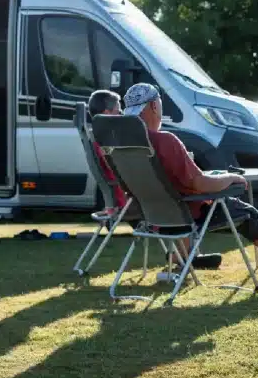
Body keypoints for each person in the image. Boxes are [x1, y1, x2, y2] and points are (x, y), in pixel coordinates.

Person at [122, 83, 258, 282]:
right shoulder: (165, 140)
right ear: (154, 106)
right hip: (190, 214)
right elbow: (200, 183)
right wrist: (230, 178)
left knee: (241, 211)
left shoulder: (123, 149)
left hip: (153, 218)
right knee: (251, 216)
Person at [87, 89, 222, 270]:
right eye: (119, 111)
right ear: (106, 113)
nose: (121, 115)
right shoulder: (111, 141)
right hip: (133, 199)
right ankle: (183, 256)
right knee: (176, 194)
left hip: (129, 196)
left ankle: (186, 255)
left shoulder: (101, 140)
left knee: (169, 192)